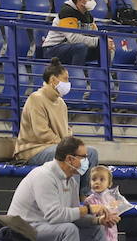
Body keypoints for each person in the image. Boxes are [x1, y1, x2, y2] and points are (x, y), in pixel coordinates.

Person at [7, 136, 113, 241]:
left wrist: (98, 220)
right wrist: (88, 209)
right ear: (70, 159)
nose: (86, 162)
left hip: (49, 228)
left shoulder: (72, 180)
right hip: (26, 230)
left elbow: (73, 215)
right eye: (83, 157)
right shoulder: (44, 176)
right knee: (68, 230)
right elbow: (55, 216)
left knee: (97, 229)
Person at [12, 60, 99, 196]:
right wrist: (66, 146)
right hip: (34, 149)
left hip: (56, 146)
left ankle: (85, 196)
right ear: (53, 80)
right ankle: (71, 199)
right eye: (65, 79)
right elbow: (41, 132)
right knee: (72, 156)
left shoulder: (61, 103)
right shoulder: (36, 98)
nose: (68, 83)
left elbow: (67, 130)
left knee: (91, 153)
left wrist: (70, 142)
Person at [40, 0, 101, 66]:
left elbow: (95, 33)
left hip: (71, 48)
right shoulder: (66, 12)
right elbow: (73, 38)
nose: (92, 1)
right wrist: (98, 41)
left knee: (105, 47)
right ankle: (76, 75)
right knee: (80, 47)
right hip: (53, 49)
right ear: (80, 0)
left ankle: (106, 75)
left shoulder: (87, 15)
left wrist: (104, 42)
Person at [85, 166, 133, 241]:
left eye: (102, 179)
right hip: (96, 240)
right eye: (94, 179)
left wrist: (115, 208)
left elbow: (115, 215)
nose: (97, 182)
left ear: (109, 183)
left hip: (111, 238)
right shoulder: (89, 200)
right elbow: (89, 219)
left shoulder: (112, 199)